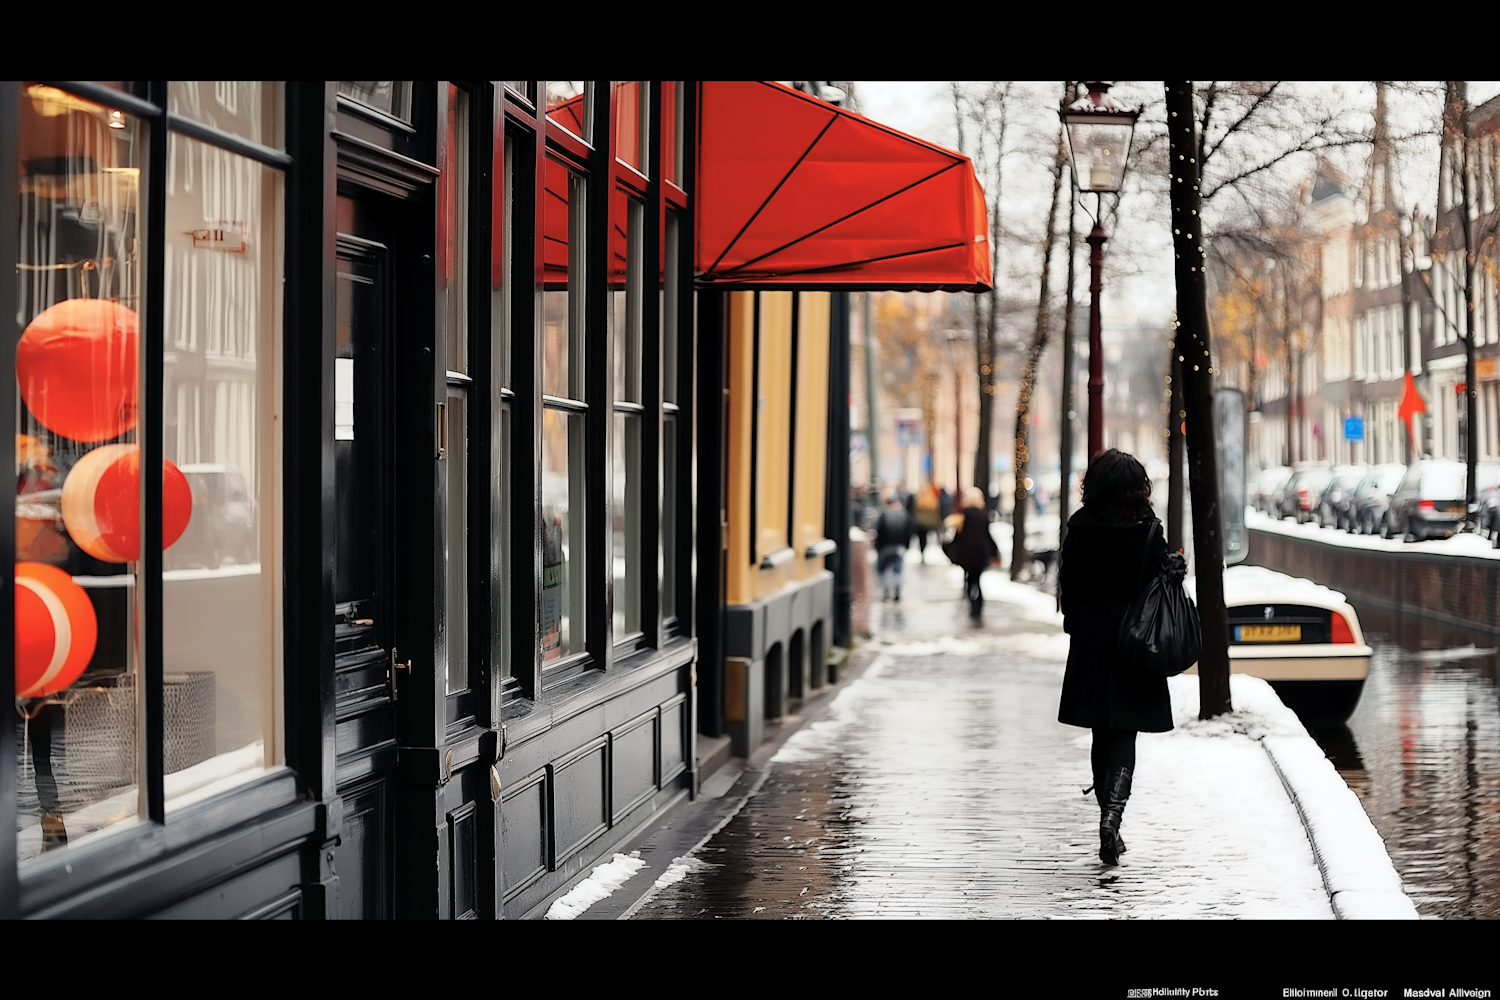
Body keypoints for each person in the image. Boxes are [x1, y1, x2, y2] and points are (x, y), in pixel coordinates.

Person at [1056, 449, 1172, 866]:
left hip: (1092, 640)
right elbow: (1161, 584)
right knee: (1125, 731)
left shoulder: (1080, 527)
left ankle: (1105, 813)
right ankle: (1113, 816)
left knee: (1100, 731)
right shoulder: (1149, 531)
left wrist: (1078, 625)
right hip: (1136, 642)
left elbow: (1068, 585)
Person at [945, 486, 999, 615]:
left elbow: (957, 536)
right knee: (978, 580)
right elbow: (987, 535)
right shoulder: (984, 515)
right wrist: (994, 552)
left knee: (969, 579)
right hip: (980, 553)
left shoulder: (962, 516)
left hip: (966, 552)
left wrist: (950, 549)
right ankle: (978, 606)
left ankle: (971, 603)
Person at [873, 492, 913, 601]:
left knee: (881, 570)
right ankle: (897, 591)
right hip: (899, 547)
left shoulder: (884, 515)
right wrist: (906, 546)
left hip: (885, 547)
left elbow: (879, 532)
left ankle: (886, 591)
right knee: (898, 570)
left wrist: (878, 547)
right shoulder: (905, 515)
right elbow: (909, 533)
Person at [912, 482, 942, 562]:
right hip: (930, 522)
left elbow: (914, 510)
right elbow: (937, 510)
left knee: (922, 538)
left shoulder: (919, 499)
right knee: (930, 536)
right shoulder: (933, 499)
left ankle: (922, 552)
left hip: (920, 522)